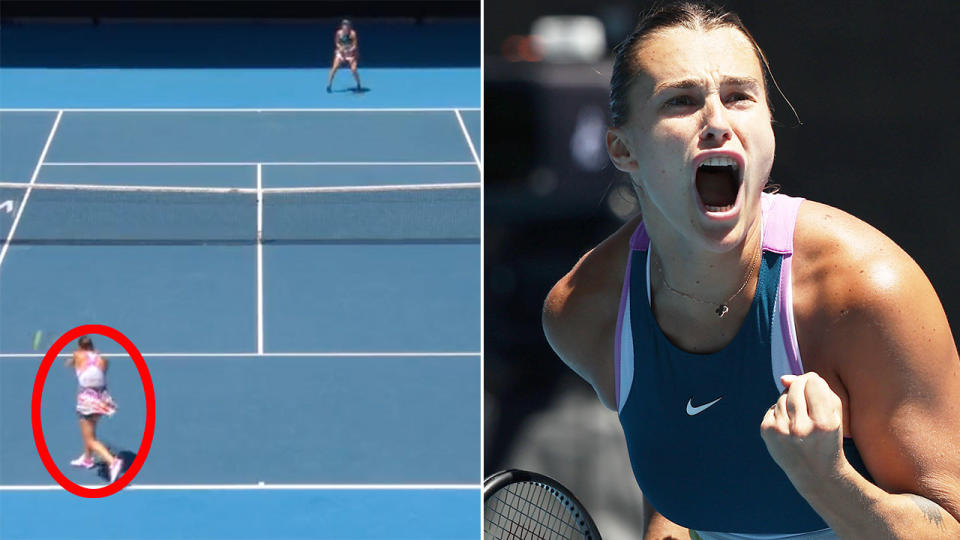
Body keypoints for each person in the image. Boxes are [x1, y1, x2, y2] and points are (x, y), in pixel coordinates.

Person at [542, 2, 960, 539]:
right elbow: (689, 464)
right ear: (624, 149)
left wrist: (827, 480)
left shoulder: (862, 293)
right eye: (681, 101)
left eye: (739, 96)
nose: (717, 121)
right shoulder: (585, 313)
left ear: (768, 131)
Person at [67, 336, 124, 483]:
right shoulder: (103, 359)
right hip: (101, 399)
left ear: (80, 347)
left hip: (86, 400)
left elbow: (69, 364)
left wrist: (73, 357)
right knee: (90, 430)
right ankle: (87, 459)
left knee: (90, 439)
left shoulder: (77, 355)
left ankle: (112, 461)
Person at [326, 19, 362, 93]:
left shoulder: (353, 34)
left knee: (353, 69)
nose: (345, 27)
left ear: (349, 27)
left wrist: (349, 50)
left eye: (347, 26)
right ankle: (329, 85)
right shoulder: (338, 33)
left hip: (351, 54)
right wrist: (340, 48)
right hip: (341, 53)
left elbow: (355, 45)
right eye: (344, 26)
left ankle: (358, 84)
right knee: (334, 67)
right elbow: (336, 43)